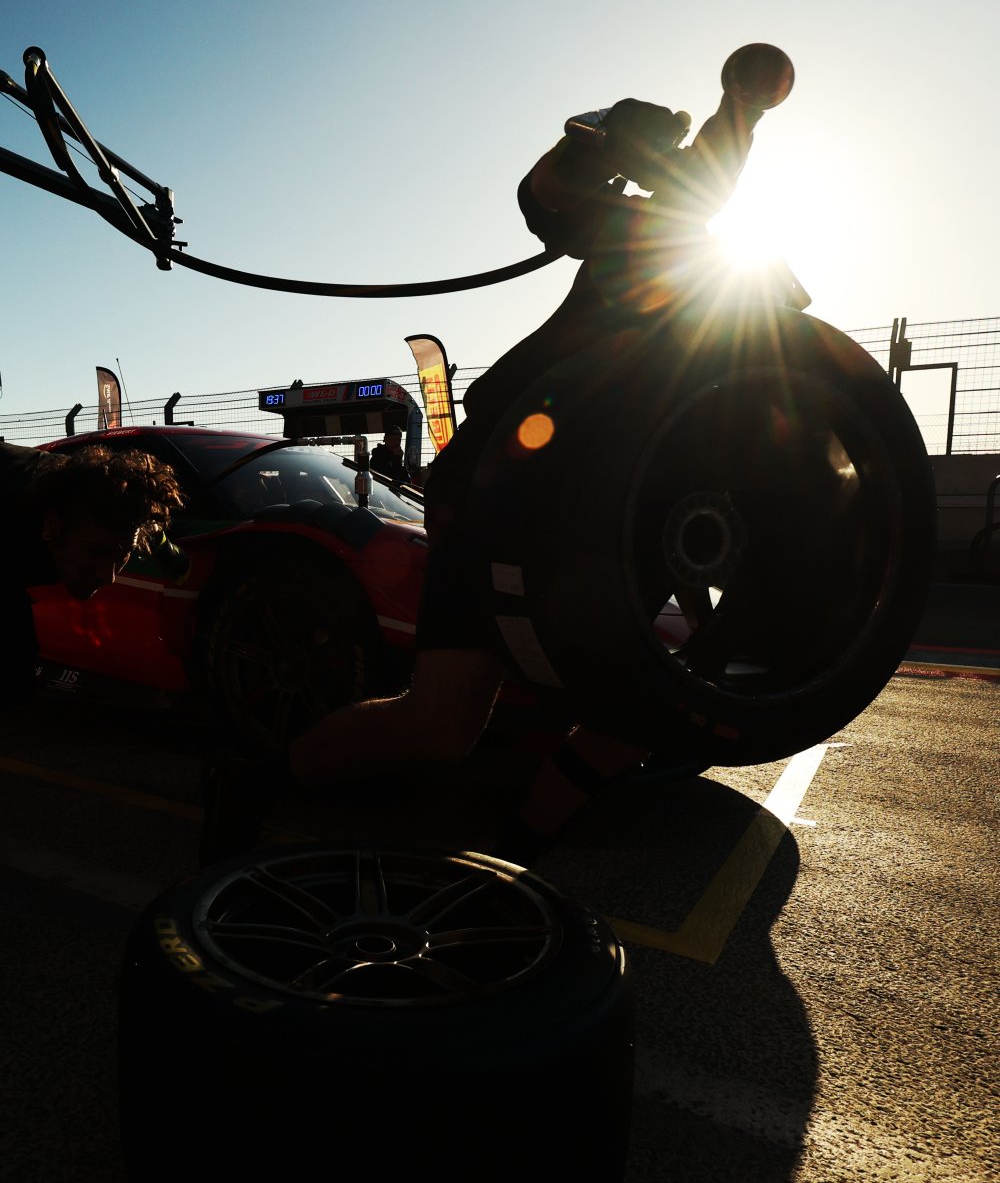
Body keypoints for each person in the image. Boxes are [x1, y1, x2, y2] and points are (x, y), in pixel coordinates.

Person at [200, 82, 767, 867]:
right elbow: (549, 198)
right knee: (441, 722)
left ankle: (515, 863)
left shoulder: (746, 319)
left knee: (636, 711)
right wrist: (604, 140)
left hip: (617, 516)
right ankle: (256, 781)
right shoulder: (640, 233)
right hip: (508, 484)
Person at [0, 441, 186, 709]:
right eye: (95, 551)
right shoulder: (15, 517)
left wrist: (173, 558)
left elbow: (149, 527)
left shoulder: (124, 513)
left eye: (123, 554)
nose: (108, 576)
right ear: (53, 527)